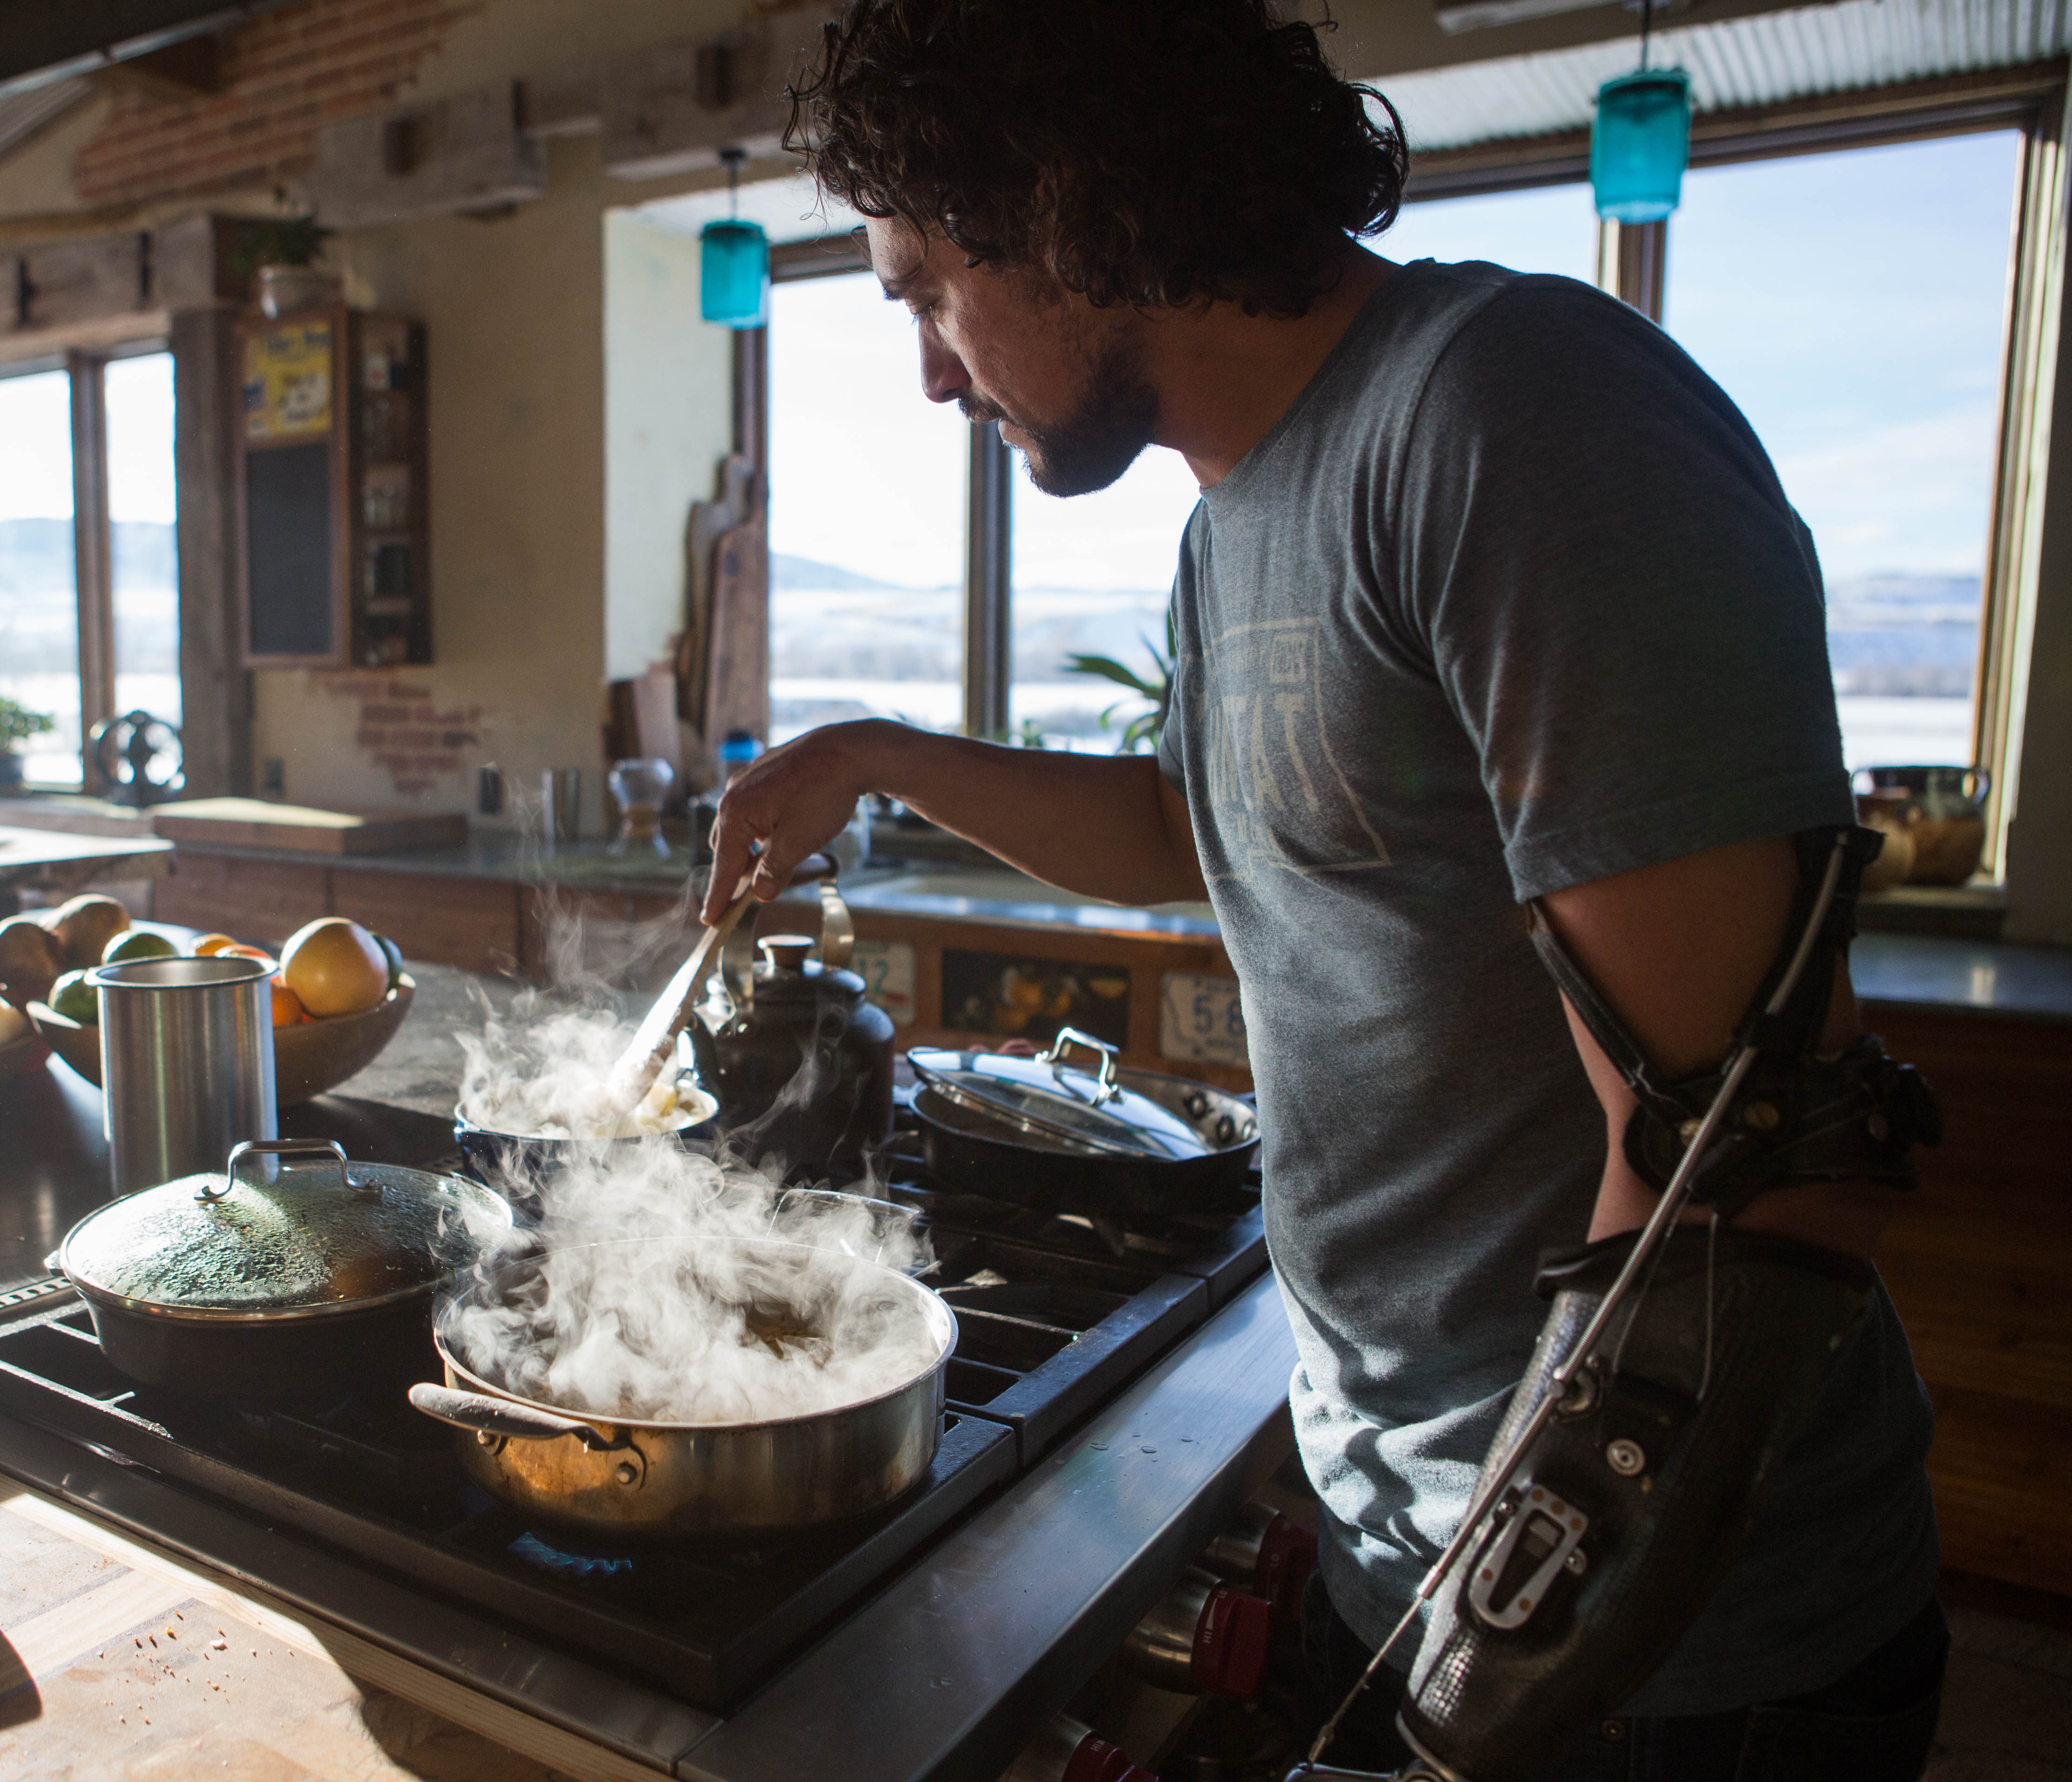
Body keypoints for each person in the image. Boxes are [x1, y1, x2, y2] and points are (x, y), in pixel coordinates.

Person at [704, 3, 1947, 1776]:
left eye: (918, 286)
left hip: (1653, 1659)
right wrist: (880, 754)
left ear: (1062, 200)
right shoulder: (1239, 514)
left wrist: (1487, 1685)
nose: (923, 367)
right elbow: (1217, 829)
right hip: (1411, 1548)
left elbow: (1750, 1177)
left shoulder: (1513, 410)